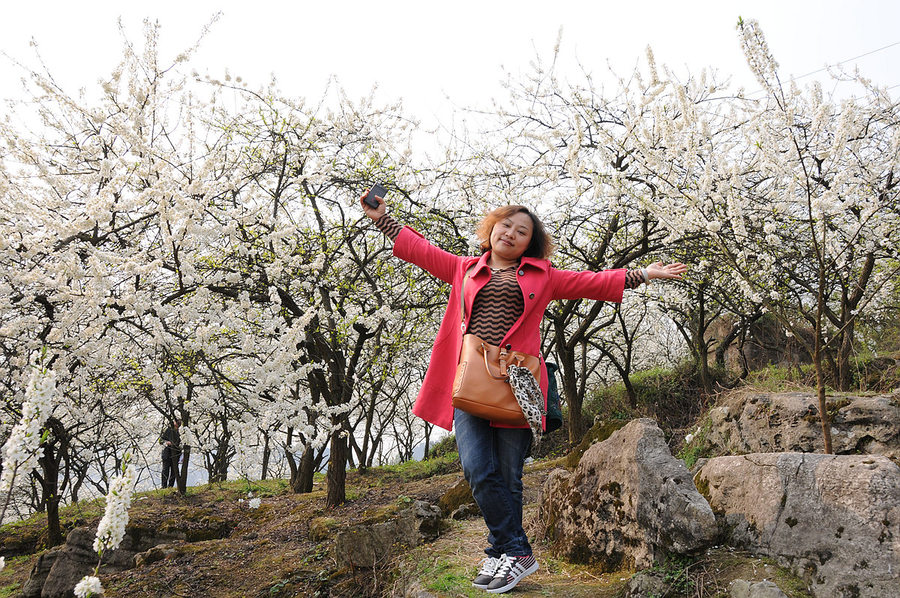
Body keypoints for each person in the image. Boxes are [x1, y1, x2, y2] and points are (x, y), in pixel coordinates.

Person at [360, 190, 686, 594]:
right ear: (492, 229)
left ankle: (501, 555)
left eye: (522, 231)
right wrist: (382, 219)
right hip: (471, 382)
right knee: (478, 469)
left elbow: (591, 283)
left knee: (509, 477)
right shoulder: (463, 268)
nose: (511, 234)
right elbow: (421, 250)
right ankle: (516, 549)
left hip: (517, 385)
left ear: (530, 243)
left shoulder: (543, 275)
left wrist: (645, 274)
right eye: (506, 226)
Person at [159, 418, 181, 489]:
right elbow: (161, 440)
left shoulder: (180, 432)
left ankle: (170, 486)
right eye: (177, 422)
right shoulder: (168, 430)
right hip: (167, 453)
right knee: (165, 470)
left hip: (176, 454)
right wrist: (166, 442)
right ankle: (164, 486)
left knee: (174, 471)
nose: (178, 423)